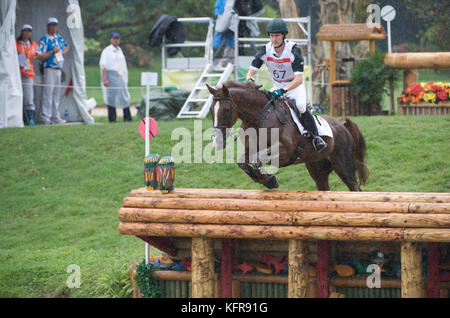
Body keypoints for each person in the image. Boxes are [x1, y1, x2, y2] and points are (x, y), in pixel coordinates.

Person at [245, 18, 327, 152]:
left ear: (284, 35)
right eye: (271, 35)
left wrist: (284, 90)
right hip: (277, 86)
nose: (274, 39)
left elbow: (299, 79)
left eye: (277, 35)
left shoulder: (293, 50)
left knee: (300, 106)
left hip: (294, 86)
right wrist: (249, 79)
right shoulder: (265, 50)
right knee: (265, 106)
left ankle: (316, 137)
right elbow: (251, 72)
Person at [36, 17, 70, 124]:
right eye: (51, 25)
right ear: (47, 26)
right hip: (49, 68)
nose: (53, 27)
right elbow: (39, 56)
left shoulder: (58, 37)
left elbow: (67, 46)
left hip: (58, 68)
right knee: (48, 94)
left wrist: (62, 53)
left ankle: (55, 116)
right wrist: (51, 52)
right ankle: (45, 116)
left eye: (55, 25)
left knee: (56, 94)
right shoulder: (44, 39)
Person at [99, 32, 132, 122]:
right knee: (111, 98)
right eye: (114, 38)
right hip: (111, 76)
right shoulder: (107, 51)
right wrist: (105, 79)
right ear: (110, 40)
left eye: (118, 38)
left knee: (124, 97)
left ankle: (127, 117)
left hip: (120, 76)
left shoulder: (120, 50)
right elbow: (103, 66)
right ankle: (112, 119)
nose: (116, 40)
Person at [16, 24, 38, 126]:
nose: (27, 33)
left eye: (29, 31)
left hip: (28, 73)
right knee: (16, 96)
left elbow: (38, 55)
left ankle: (30, 119)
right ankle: (17, 118)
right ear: (21, 31)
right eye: (25, 31)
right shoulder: (15, 42)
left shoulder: (33, 44)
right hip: (16, 73)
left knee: (29, 97)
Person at [214, 0, 235, 67]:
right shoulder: (220, 1)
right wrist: (219, 15)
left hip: (231, 25)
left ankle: (227, 63)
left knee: (230, 45)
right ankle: (216, 62)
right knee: (218, 44)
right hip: (221, 23)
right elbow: (217, 9)